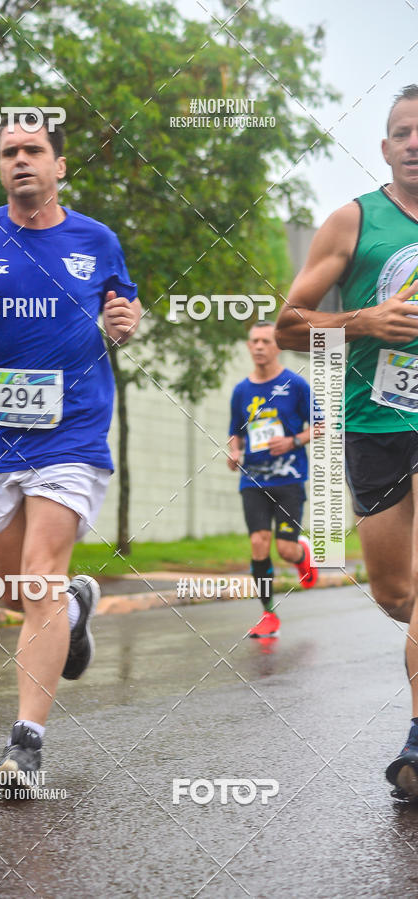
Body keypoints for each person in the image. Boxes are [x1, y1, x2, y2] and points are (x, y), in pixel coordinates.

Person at [0, 111, 141, 788]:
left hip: (73, 433)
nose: (20, 160)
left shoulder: (97, 239)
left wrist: (125, 322)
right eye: (9, 150)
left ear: (59, 165)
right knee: (20, 593)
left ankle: (25, 746)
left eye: (33, 150)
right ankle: (73, 610)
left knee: (38, 574)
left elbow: (122, 310)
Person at [275, 84, 418, 801]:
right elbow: (289, 325)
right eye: (402, 132)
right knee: (397, 595)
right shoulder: (354, 221)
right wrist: (364, 322)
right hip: (376, 423)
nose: (415, 143)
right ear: (386, 148)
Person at [226, 321, 318, 639]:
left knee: (285, 550)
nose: (259, 347)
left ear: (277, 346)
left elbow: (320, 425)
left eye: (266, 341)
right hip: (253, 480)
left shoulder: (295, 385)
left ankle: (302, 555)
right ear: (249, 346)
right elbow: (234, 433)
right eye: (254, 341)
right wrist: (234, 452)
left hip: (290, 478)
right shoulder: (241, 391)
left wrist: (292, 441)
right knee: (258, 544)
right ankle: (268, 614)